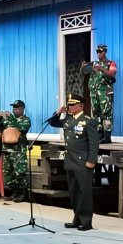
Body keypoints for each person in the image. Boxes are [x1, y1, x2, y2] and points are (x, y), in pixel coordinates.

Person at [48, 94, 99, 231]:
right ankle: (77, 219)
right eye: (69, 105)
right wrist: (58, 113)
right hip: (70, 161)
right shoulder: (68, 120)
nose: (70, 107)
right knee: (74, 192)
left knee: (84, 192)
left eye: (73, 105)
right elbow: (52, 122)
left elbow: (94, 144)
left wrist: (91, 160)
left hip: (83, 162)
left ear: (81, 105)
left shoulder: (89, 121)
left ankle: (86, 221)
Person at [82, 44, 116, 143]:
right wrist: (83, 66)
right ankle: (100, 134)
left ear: (105, 52)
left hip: (105, 92)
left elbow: (112, 74)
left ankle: (107, 136)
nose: (98, 54)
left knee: (106, 113)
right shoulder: (94, 63)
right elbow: (83, 72)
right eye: (97, 52)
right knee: (96, 113)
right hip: (94, 93)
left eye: (100, 52)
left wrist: (101, 69)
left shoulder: (111, 63)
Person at [1, 100, 32, 202]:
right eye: (13, 108)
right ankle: (12, 191)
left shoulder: (25, 120)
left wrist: (11, 118)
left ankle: (22, 193)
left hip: (18, 150)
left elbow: (22, 127)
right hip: (7, 149)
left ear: (22, 109)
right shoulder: (7, 120)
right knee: (8, 172)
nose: (14, 109)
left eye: (17, 108)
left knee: (19, 172)